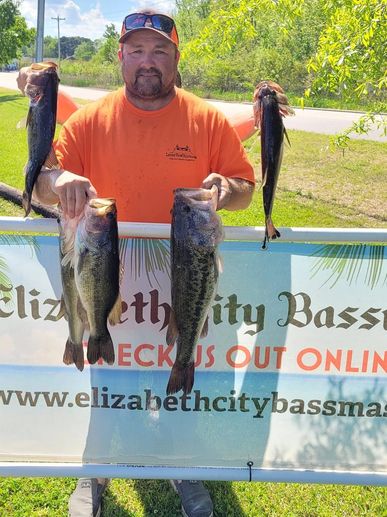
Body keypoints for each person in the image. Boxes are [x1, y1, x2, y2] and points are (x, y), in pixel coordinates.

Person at [30, 9, 256, 517]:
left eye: (159, 51)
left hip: (184, 269)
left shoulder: (206, 119)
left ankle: (183, 470)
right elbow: (44, 176)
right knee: (108, 381)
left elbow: (243, 187)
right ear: (120, 57)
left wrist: (225, 188)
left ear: (177, 57)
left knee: (181, 374)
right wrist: (58, 180)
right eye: (136, 50)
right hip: (107, 269)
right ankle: (95, 475)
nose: (147, 62)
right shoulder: (90, 120)